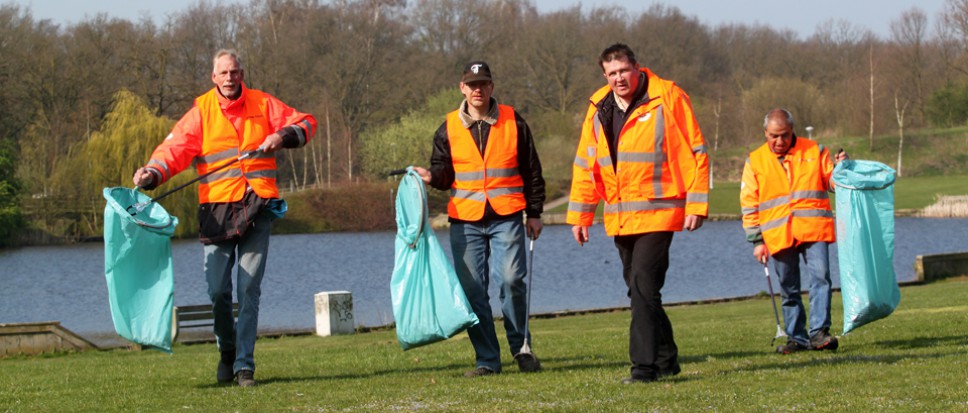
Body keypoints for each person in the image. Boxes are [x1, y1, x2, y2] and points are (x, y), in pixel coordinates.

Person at [132, 49, 316, 387]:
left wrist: (283, 136)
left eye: (234, 72)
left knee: (249, 290)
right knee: (218, 291)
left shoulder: (263, 103)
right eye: (223, 73)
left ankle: (244, 366)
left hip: (258, 205)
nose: (230, 78)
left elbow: (306, 122)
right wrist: (151, 174)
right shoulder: (201, 112)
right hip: (216, 211)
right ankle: (227, 351)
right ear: (214, 78)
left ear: (242, 74)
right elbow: (173, 151)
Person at [567, 43, 709, 384]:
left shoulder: (668, 96)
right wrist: (581, 215)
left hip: (660, 210)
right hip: (619, 214)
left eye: (624, 71)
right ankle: (666, 358)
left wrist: (697, 203)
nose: (619, 78)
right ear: (604, 75)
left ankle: (643, 369)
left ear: (637, 68)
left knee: (644, 285)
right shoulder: (598, 107)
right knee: (638, 289)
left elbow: (697, 150)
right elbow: (587, 164)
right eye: (612, 73)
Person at [412, 60, 546, 378]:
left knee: (513, 282)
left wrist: (536, 213)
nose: (477, 89)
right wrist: (432, 176)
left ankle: (521, 349)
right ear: (462, 88)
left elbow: (532, 171)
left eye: (483, 84)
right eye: (472, 84)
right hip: (465, 220)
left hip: (508, 215)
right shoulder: (447, 127)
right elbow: (445, 173)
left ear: (491, 88)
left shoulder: (514, 121)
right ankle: (487, 359)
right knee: (473, 292)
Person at [740, 108, 847, 354]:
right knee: (789, 287)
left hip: (813, 229)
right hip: (777, 234)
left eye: (785, 135)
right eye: (774, 136)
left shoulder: (816, 151)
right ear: (765, 133)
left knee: (821, 279)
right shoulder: (755, 161)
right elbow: (749, 203)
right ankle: (796, 338)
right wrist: (756, 240)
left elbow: (833, 183)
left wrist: (841, 169)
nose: (779, 141)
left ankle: (819, 333)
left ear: (793, 131)